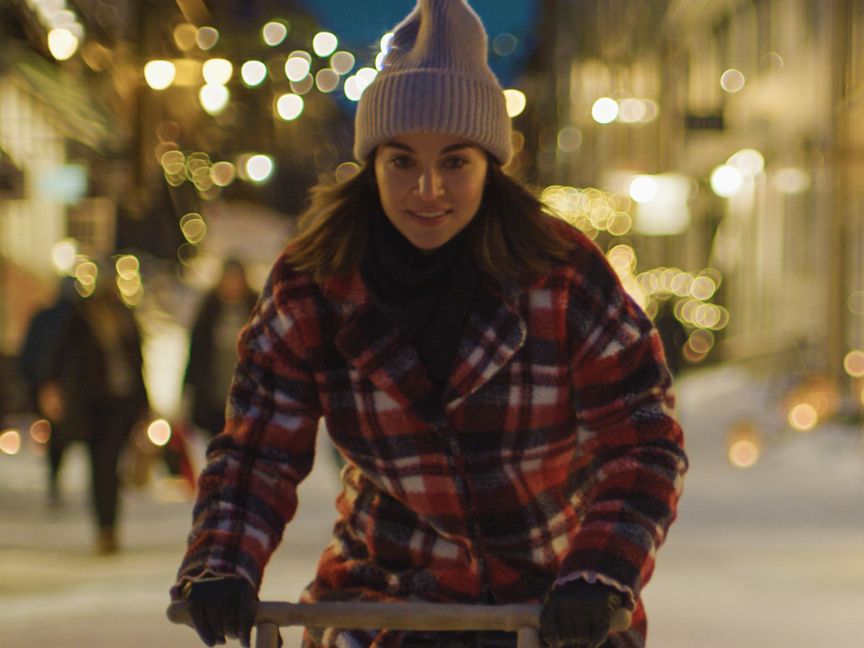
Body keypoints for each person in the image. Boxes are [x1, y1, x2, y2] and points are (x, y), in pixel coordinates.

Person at [171, 2, 688, 647]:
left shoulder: (561, 276)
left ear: (489, 163)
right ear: (372, 162)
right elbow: (258, 449)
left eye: (454, 162)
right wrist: (223, 561)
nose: (427, 191)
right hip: (385, 592)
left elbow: (642, 441)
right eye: (402, 162)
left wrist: (600, 571)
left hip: (549, 595)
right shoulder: (317, 283)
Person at [42, 267, 150, 554]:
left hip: (121, 404)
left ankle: (109, 527)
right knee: (100, 466)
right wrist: (53, 388)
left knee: (109, 464)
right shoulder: (82, 316)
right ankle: (105, 528)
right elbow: (60, 353)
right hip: (91, 403)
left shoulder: (127, 318)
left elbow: (138, 364)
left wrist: (144, 405)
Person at [17, 276, 78, 505]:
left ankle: (55, 475)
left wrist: (32, 379)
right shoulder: (76, 319)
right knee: (59, 433)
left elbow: (29, 351)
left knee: (55, 433)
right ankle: (56, 474)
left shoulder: (44, 317)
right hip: (64, 386)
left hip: (48, 384)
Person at [183, 258, 259, 438]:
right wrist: (189, 389)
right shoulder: (209, 310)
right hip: (214, 397)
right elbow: (197, 353)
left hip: (245, 397)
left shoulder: (254, 311)